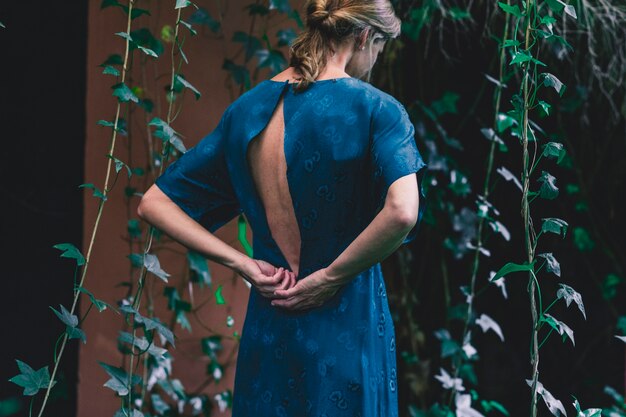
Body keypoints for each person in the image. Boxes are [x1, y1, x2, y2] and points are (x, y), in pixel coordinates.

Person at [137, 0, 427, 415]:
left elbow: (153, 203)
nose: (376, 60)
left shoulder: (245, 111)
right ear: (366, 36)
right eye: (381, 47)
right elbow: (403, 212)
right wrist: (330, 277)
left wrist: (242, 264)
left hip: (270, 322)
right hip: (346, 322)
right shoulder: (376, 109)